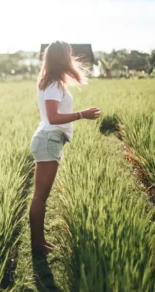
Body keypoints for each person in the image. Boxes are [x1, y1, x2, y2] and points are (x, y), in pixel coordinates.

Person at [29, 41, 101, 255]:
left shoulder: (52, 82)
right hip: (48, 139)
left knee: (40, 196)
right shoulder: (53, 84)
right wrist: (82, 114)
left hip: (50, 140)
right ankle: (37, 244)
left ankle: (38, 242)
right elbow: (53, 118)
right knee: (40, 196)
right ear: (63, 57)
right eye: (69, 54)